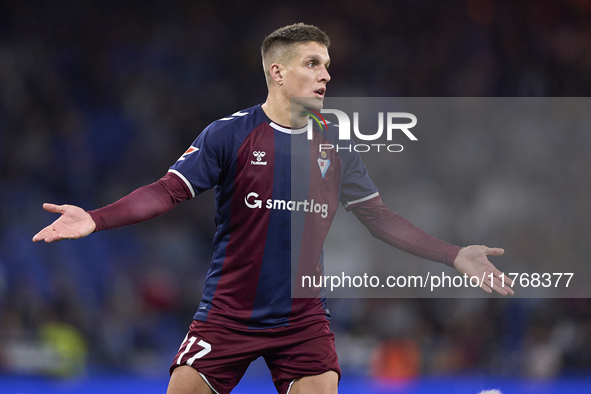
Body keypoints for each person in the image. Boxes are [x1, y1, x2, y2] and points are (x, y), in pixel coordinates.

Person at [33, 23, 514, 394]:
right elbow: (166, 191)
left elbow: (380, 219)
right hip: (227, 316)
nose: (325, 74)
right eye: (312, 63)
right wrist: (95, 219)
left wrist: (453, 255)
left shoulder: (337, 145)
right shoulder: (230, 134)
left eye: (327, 64)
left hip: (302, 320)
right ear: (278, 72)